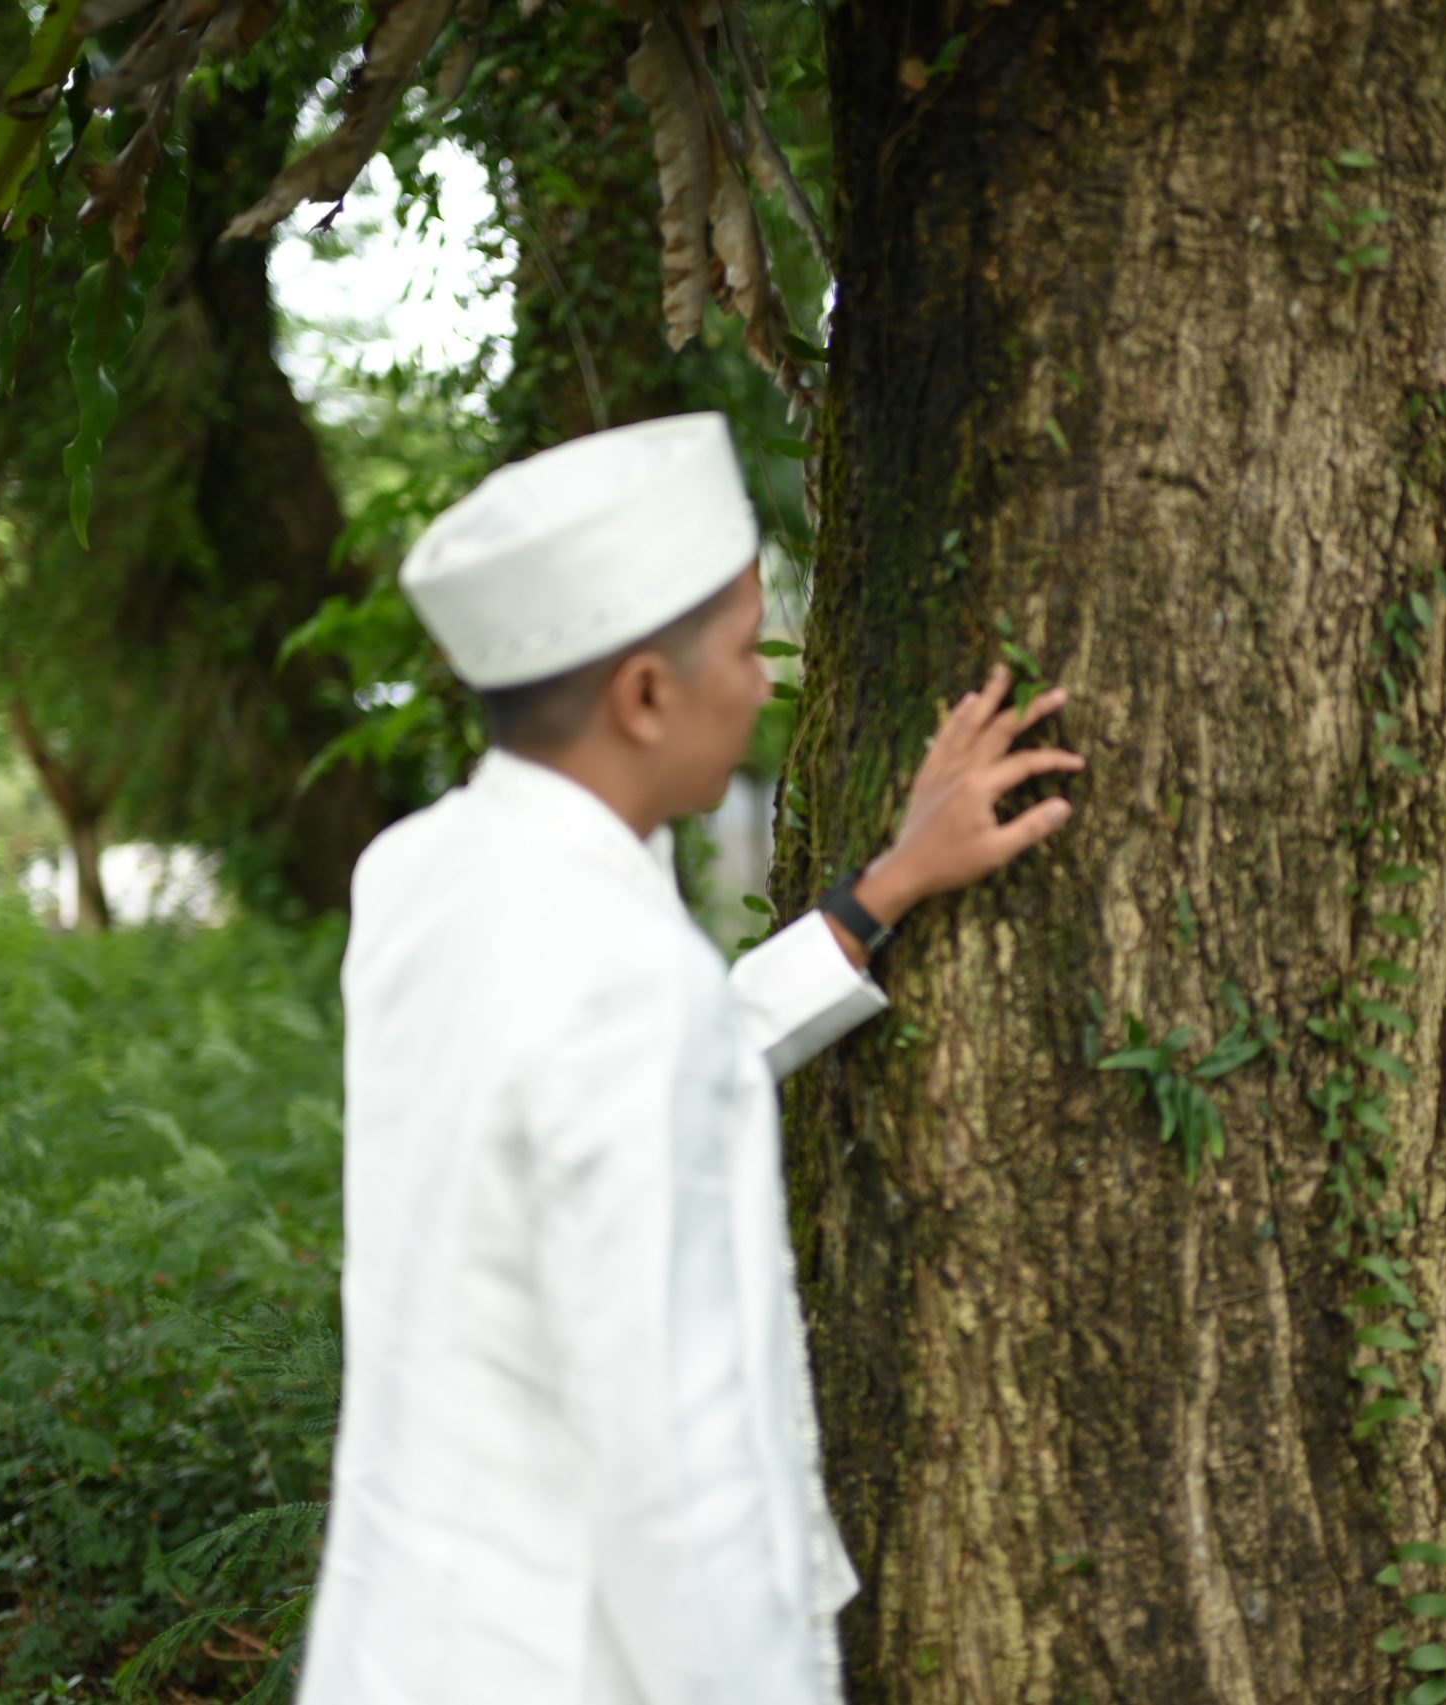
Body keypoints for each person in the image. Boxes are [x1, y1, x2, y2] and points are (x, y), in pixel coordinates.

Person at [295, 413, 1084, 1705]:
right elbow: (678, 1464)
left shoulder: (421, 873)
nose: (766, 683)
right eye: (743, 646)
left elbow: (606, 1059)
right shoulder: (624, 977)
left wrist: (884, 887)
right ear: (645, 696)